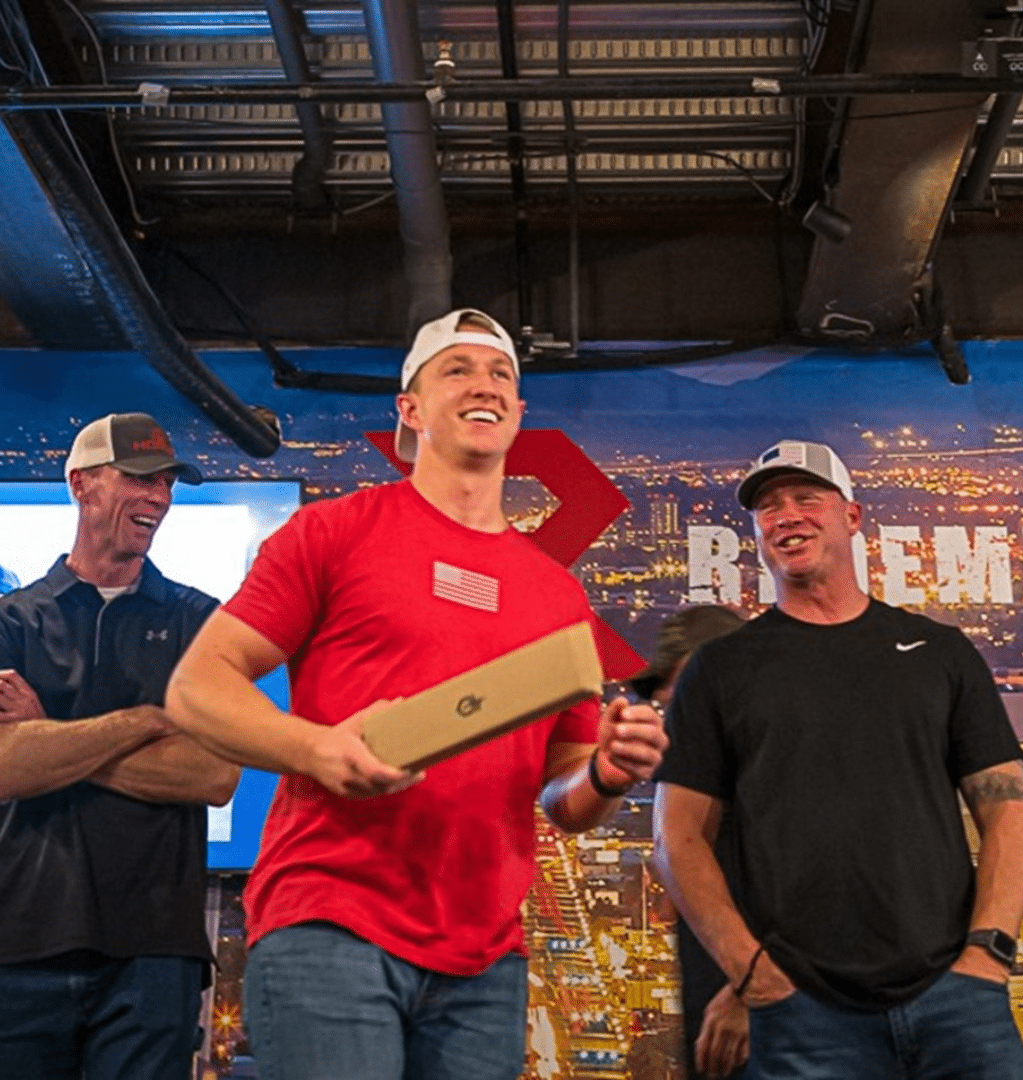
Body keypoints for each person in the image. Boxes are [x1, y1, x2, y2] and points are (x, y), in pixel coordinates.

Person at [165, 308, 669, 1080]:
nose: (485, 384)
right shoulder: (332, 533)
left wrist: (606, 770)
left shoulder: (555, 595)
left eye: (501, 373)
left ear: (520, 412)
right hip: (329, 923)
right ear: (410, 408)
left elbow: (563, 799)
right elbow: (197, 689)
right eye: (457, 370)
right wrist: (318, 748)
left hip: (484, 959)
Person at [652, 439, 1023, 1080]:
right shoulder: (722, 670)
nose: (787, 516)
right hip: (802, 1014)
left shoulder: (940, 653)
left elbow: (1008, 812)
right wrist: (750, 972)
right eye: (769, 507)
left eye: (807, 498)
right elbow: (678, 836)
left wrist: (988, 955)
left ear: (851, 517)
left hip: (957, 1000)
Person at [0, 412, 240, 1080]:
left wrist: (48, 735)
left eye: (166, 481)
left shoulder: (201, 619)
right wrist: (144, 720)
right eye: (139, 478)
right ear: (80, 484)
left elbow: (215, 775)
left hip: (155, 950)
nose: (159, 497)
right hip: (19, 940)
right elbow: (3, 766)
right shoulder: (10, 619)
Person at [630, 604, 748, 1080]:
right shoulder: (693, 785)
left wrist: (750, 990)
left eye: (687, 683)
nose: (666, 699)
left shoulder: (784, 778)